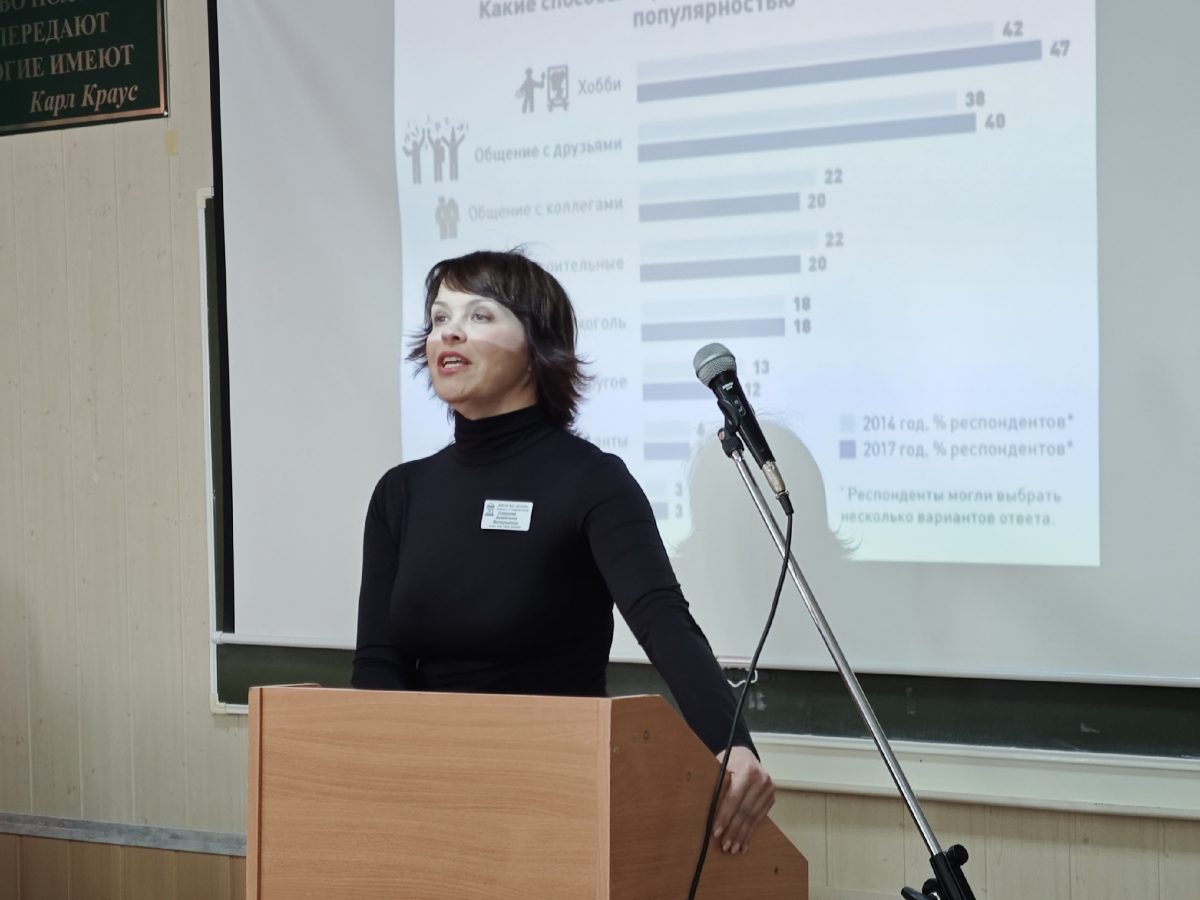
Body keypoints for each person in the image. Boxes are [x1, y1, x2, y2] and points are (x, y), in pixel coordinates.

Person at [352, 250, 775, 854]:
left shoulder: (592, 481)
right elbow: (377, 665)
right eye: (440, 317)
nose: (449, 331)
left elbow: (662, 620)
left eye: (479, 315)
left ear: (537, 346)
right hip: (424, 795)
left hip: (554, 795)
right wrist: (387, 779)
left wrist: (731, 743)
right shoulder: (401, 492)